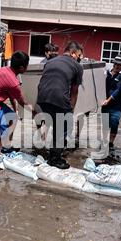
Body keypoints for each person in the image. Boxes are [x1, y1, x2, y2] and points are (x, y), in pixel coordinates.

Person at [36, 41, 84, 169]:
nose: (80, 58)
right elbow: (74, 91)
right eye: (79, 55)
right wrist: (71, 110)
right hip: (58, 98)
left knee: (56, 125)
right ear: (73, 53)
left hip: (41, 98)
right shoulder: (77, 66)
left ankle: (51, 154)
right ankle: (55, 159)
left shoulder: (50, 61)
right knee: (63, 129)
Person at [101, 54, 121, 151]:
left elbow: (119, 90)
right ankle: (104, 141)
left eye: (119, 65)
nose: (117, 66)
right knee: (105, 123)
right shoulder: (107, 72)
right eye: (115, 64)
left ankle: (111, 143)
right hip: (105, 104)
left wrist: (107, 100)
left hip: (116, 105)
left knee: (114, 123)